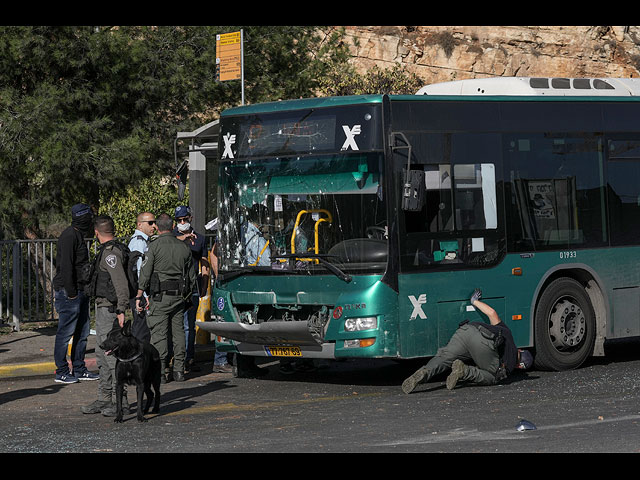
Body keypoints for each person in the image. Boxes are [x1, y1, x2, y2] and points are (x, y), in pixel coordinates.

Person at [402, 288, 534, 394]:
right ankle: (464, 371)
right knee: (494, 376)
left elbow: (492, 313)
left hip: (467, 330)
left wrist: (474, 300)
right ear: (520, 366)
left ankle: (424, 372)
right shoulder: (511, 365)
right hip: (484, 343)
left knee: (444, 357)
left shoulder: (508, 332)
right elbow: (496, 370)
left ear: (520, 350)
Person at [136, 213, 196, 382]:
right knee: (178, 333)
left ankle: (160, 371)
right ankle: (178, 370)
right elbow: (191, 277)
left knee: (159, 335)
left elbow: (145, 274)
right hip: (178, 298)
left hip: (160, 298)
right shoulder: (184, 247)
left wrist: (139, 295)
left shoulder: (153, 247)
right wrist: (188, 297)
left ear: (158, 227)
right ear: (172, 227)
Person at [83, 215, 131, 416]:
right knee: (102, 356)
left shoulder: (111, 254)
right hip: (103, 309)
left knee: (112, 357)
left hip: (110, 310)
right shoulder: (107, 251)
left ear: (96, 232)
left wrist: (121, 310)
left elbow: (121, 284)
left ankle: (122, 401)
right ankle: (104, 398)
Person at [52, 203, 99, 384]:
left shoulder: (77, 235)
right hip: (69, 292)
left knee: (82, 331)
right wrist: (71, 293)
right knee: (65, 334)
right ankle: (62, 371)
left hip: (80, 290)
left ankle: (79, 368)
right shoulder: (69, 236)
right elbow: (66, 267)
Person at [173, 205, 209, 374]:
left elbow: (204, 263)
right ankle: (175, 358)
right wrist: (184, 237)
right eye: (179, 220)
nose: (182, 222)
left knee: (189, 325)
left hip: (192, 284)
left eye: (185, 219)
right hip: (174, 285)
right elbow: (162, 240)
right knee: (174, 324)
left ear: (190, 218)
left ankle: (189, 357)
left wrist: (204, 285)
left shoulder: (200, 239)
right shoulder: (172, 236)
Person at [206, 218, 232, 373]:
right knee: (224, 321)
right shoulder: (226, 233)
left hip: (229, 281)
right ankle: (220, 360)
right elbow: (214, 255)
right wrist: (219, 277)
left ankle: (227, 359)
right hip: (225, 283)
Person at [127, 212, 155, 344]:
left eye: (154, 222)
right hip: (139, 291)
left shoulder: (143, 241)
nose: (154, 226)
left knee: (142, 327)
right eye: (150, 223)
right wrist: (143, 294)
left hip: (139, 291)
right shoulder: (139, 242)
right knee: (141, 329)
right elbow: (140, 271)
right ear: (140, 224)